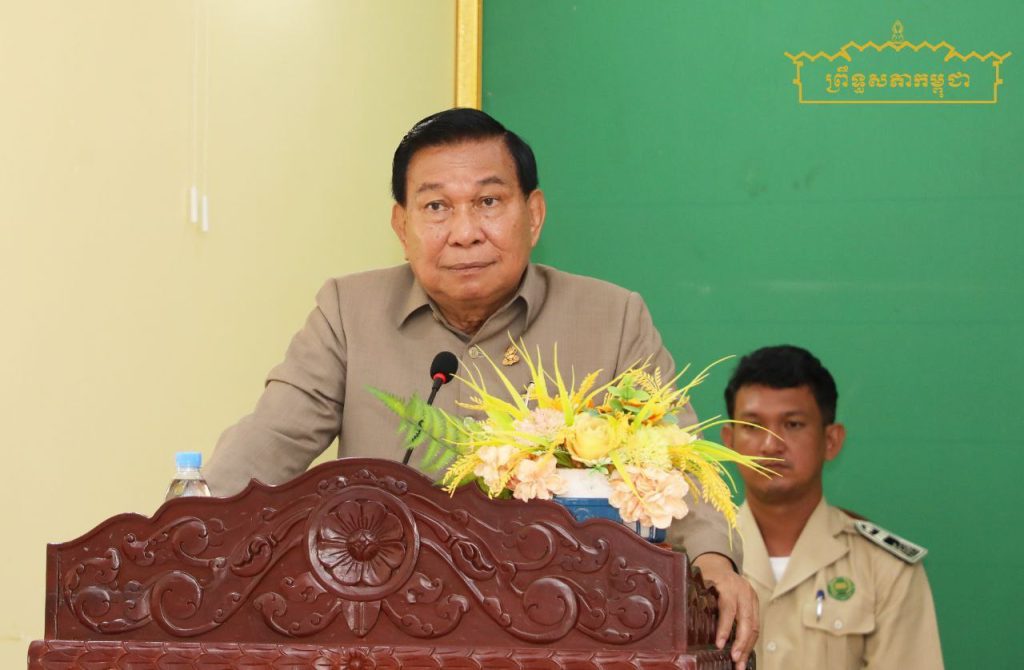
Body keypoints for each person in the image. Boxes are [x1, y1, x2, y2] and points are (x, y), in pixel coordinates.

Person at [203, 108, 758, 667]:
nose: (465, 233)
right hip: (383, 636)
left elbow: (680, 462)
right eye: (436, 207)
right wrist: (191, 531)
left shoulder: (611, 319)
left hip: (566, 635)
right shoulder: (348, 312)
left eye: (488, 202)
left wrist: (713, 561)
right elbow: (269, 439)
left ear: (533, 215)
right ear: (401, 226)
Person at [721, 345, 943, 669]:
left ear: (831, 441)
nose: (770, 444)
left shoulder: (886, 568)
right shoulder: (700, 561)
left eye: (793, 424)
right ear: (729, 441)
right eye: (753, 427)